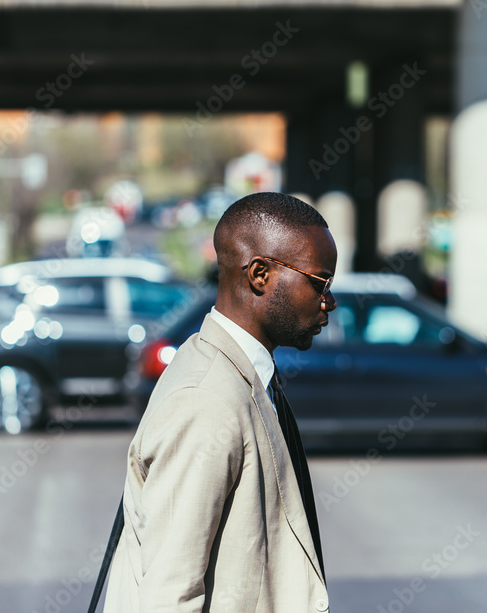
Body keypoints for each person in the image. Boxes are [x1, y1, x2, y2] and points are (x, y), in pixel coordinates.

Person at [103, 191, 337, 613]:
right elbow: (168, 597)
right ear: (260, 274)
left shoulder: (241, 373)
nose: (329, 302)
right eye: (319, 282)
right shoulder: (206, 398)